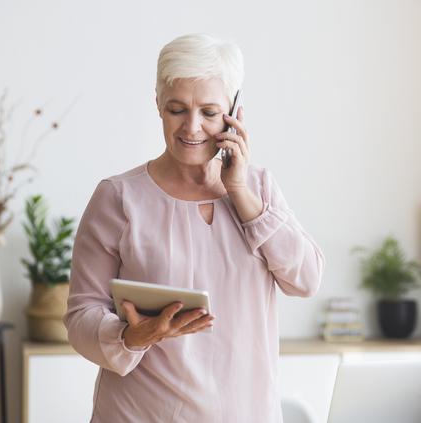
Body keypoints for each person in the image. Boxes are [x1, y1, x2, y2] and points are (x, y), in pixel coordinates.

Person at [63, 33, 325, 423]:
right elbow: (81, 314)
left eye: (209, 111)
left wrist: (240, 192)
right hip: (139, 413)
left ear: (234, 112)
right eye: (176, 109)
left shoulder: (261, 189)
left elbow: (306, 279)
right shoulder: (117, 198)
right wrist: (130, 337)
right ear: (157, 106)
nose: (192, 127)